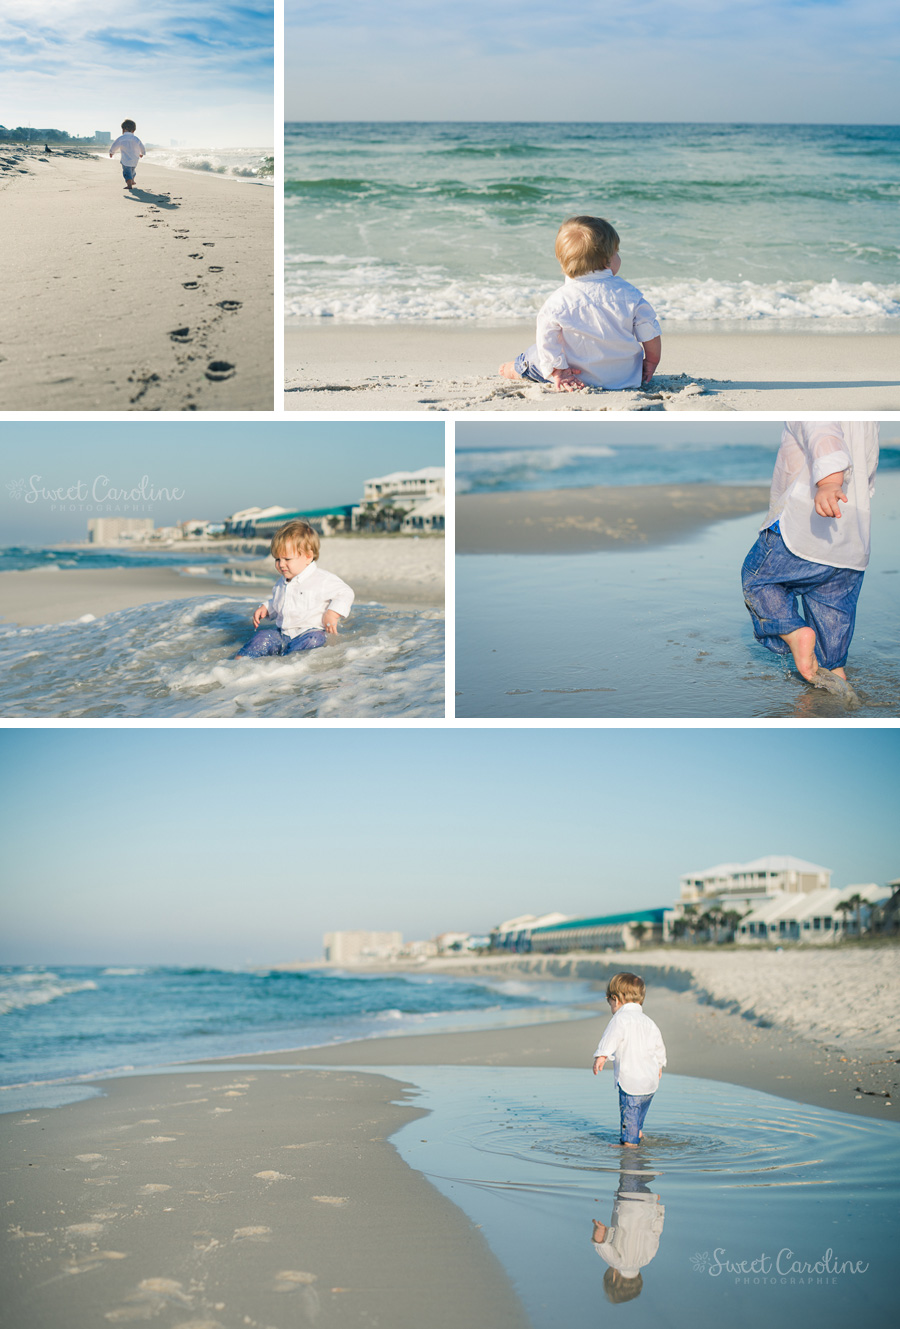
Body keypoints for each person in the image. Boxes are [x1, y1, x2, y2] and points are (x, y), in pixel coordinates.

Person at [741, 421, 880, 686]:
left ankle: (793, 631)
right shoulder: (868, 420)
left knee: (758, 579)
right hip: (852, 536)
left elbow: (823, 431)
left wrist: (829, 481)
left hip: (806, 523)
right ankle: (834, 673)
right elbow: (868, 460)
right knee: (834, 615)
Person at [499, 216, 661, 393]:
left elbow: (546, 340)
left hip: (576, 376)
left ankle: (514, 368)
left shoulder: (558, 301)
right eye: (616, 252)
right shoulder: (630, 294)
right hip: (625, 377)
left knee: (535, 354)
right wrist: (652, 361)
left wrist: (559, 371)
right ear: (607, 260)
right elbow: (649, 331)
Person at [235, 519, 354, 659]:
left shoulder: (322, 579)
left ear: (308, 556)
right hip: (282, 634)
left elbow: (346, 592)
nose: (281, 564)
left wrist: (332, 613)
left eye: (287, 559)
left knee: (313, 641)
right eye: (277, 559)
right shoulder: (282, 582)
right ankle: (239, 663)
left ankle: (288, 664)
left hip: (310, 633)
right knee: (262, 636)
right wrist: (267, 608)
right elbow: (280, 602)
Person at [592, 972, 666, 1146]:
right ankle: (637, 1133)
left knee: (629, 1113)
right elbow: (659, 1046)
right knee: (638, 1114)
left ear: (616, 1000)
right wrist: (660, 1065)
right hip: (650, 1081)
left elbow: (611, 1038)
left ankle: (629, 1146)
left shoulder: (620, 1019)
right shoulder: (649, 1022)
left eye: (609, 1002)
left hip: (631, 1083)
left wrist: (601, 1055)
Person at [591, 1168, 665, 1304]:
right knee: (628, 1166)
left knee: (640, 1180)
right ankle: (634, 1151)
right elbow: (600, 1243)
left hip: (648, 1205)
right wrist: (599, 1229)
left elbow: (656, 1232)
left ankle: (649, 1169)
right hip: (627, 1202)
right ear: (613, 1277)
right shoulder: (616, 1263)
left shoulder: (647, 1259)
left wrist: (659, 1208)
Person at [109, 120, 145, 191]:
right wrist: (142, 153)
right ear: (134, 130)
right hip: (135, 160)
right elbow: (142, 146)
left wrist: (111, 152)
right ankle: (132, 180)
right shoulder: (136, 139)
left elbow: (114, 146)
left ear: (123, 129)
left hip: (125, 160)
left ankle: (129, 185)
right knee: (132, 171)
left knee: (127, 172)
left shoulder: (121, 138)